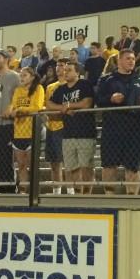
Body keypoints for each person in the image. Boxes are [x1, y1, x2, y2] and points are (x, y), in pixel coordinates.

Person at [97, 49, 140, 194]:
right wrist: (111, 98)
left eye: (133, 59)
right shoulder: (107, 79)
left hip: (135, 128)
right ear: (119, 60)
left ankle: (132, 199)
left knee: (133, 166)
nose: (131, 61)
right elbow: (97, 100)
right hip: (112, 127)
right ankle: (109, 197)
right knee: (109, 165)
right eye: (128, 58)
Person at [49, 62, 96, 194]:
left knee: (86, 166)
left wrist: (69, 105)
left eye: (69, 70)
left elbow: (87, 103)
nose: (65, 72)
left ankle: (87, 194)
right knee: (72, 167)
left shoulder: (84, 84)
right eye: (65, 70)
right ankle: (77, 192)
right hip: (68, 133)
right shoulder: (60, 89)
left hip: (85, 132)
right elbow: (49, 104)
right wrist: (63, 108)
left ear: (77, 72)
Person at [6, 67, 44, 192]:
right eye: (21, 75)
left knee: (32, 165)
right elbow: (13, 105)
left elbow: (37, 107)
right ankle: (23, 191)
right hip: (18, 131)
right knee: (21, 165)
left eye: (25, 75)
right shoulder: (18, 90)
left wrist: (21, 110)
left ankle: (34, 192)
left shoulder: (38, 88)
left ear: (32, 77)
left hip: (32, 130)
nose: (21, 77)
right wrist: (11, 110)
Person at [0, 50, 20, 193]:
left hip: (9, 123)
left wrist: (12, 107)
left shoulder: (15, 77)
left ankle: (11, 189)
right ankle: (2, 187)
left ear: (6, 59)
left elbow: (21, 96)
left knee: (7, 158)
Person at [42, 59, 67, 194]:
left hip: (64, 127)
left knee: (67, 162)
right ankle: (56, 191)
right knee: (53, 162)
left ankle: (70, 191)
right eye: (57, 65)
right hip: (51, 126)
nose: (58, 68)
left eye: (61, 65)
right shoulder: (50, 87)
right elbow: (46, 105)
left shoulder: (70, 85)